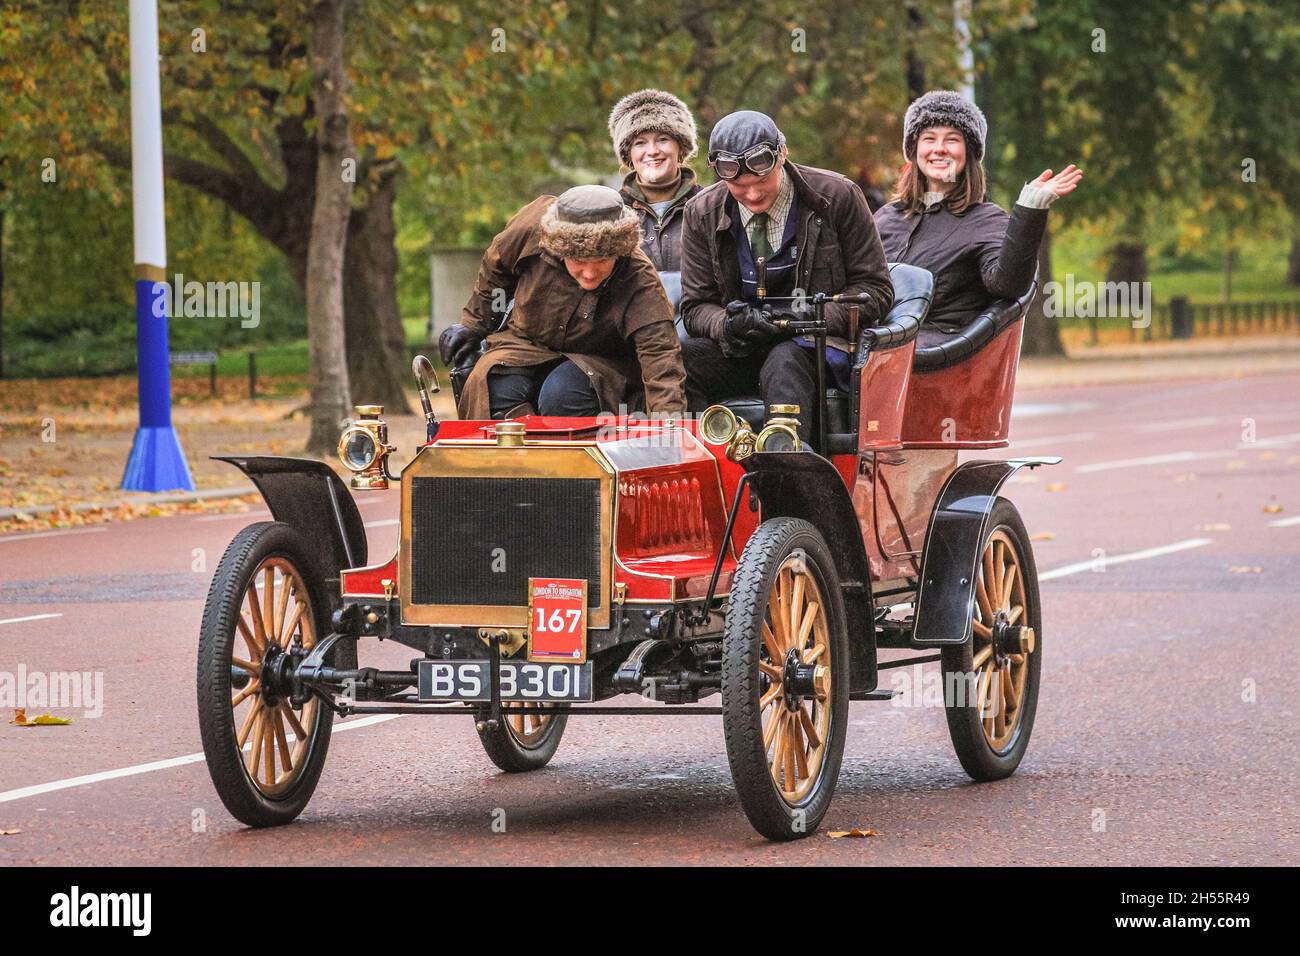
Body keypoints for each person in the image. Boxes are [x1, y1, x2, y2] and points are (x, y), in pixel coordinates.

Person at [677, 110, 894, 447]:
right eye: (738, 186)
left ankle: (789, 473)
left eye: (761, 183)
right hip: (741, 348)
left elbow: (876, 291)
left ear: (783, 155)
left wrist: (806, 318)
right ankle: (702, 466)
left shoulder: (839, 197)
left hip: (814, 348)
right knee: (677, 362)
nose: (751, 195)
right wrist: (728, 325)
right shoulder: (700, 211)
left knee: (784, 362)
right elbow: (694, 307)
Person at [441, 184, 687, 420]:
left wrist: (668, 432)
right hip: (526, 342)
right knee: (491, 386)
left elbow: (661, 359)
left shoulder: (640, 280)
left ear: (620, 251)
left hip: (600, 358)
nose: (589, 273)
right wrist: (475, 324)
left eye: (602, 260)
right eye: (578, 261)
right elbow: (497, 269)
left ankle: (579, 459)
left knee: (562, 395)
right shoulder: (528, 231)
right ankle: (523, 456)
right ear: (560, 250)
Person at [873, 90, 1082, 338]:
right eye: (929, 139)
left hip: (931, 355)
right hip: (870, 344)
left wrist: (1030, 209)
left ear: (969, 151)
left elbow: (1009, 285)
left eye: (952, 139)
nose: (939, 149)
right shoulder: (886, 217)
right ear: (914, 150)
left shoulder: (985, 221)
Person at [609, 88, 702, 318]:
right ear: (628, 154)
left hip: (702, 338)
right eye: (640, 142)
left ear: (680, 147)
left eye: (663, 139)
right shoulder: (611, 212)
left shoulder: (710, 206)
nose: (652, 151)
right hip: (630, 341)